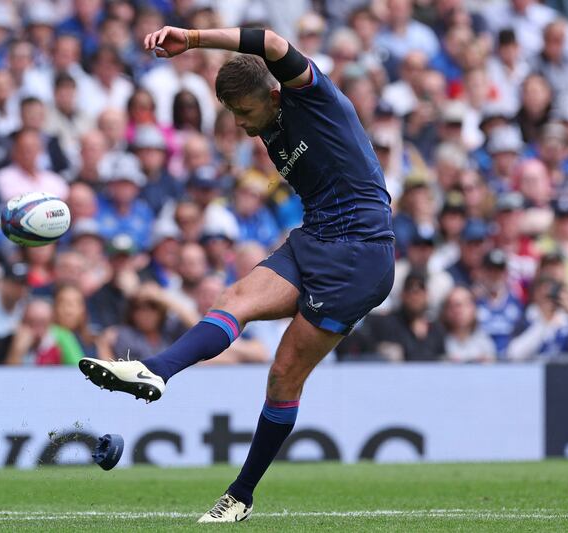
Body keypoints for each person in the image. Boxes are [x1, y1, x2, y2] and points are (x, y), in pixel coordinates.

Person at [78, 25, 395, 522]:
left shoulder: (313, 97)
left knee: (284, 375)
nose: (241, 124)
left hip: (360, 256)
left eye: (245, 111)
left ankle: (240, 496)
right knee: (233, 300)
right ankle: (155, 371)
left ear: (274, 94)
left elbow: (269, 42)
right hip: (315, 237)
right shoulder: (266, 123)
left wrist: (191, 39)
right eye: (232, 113)